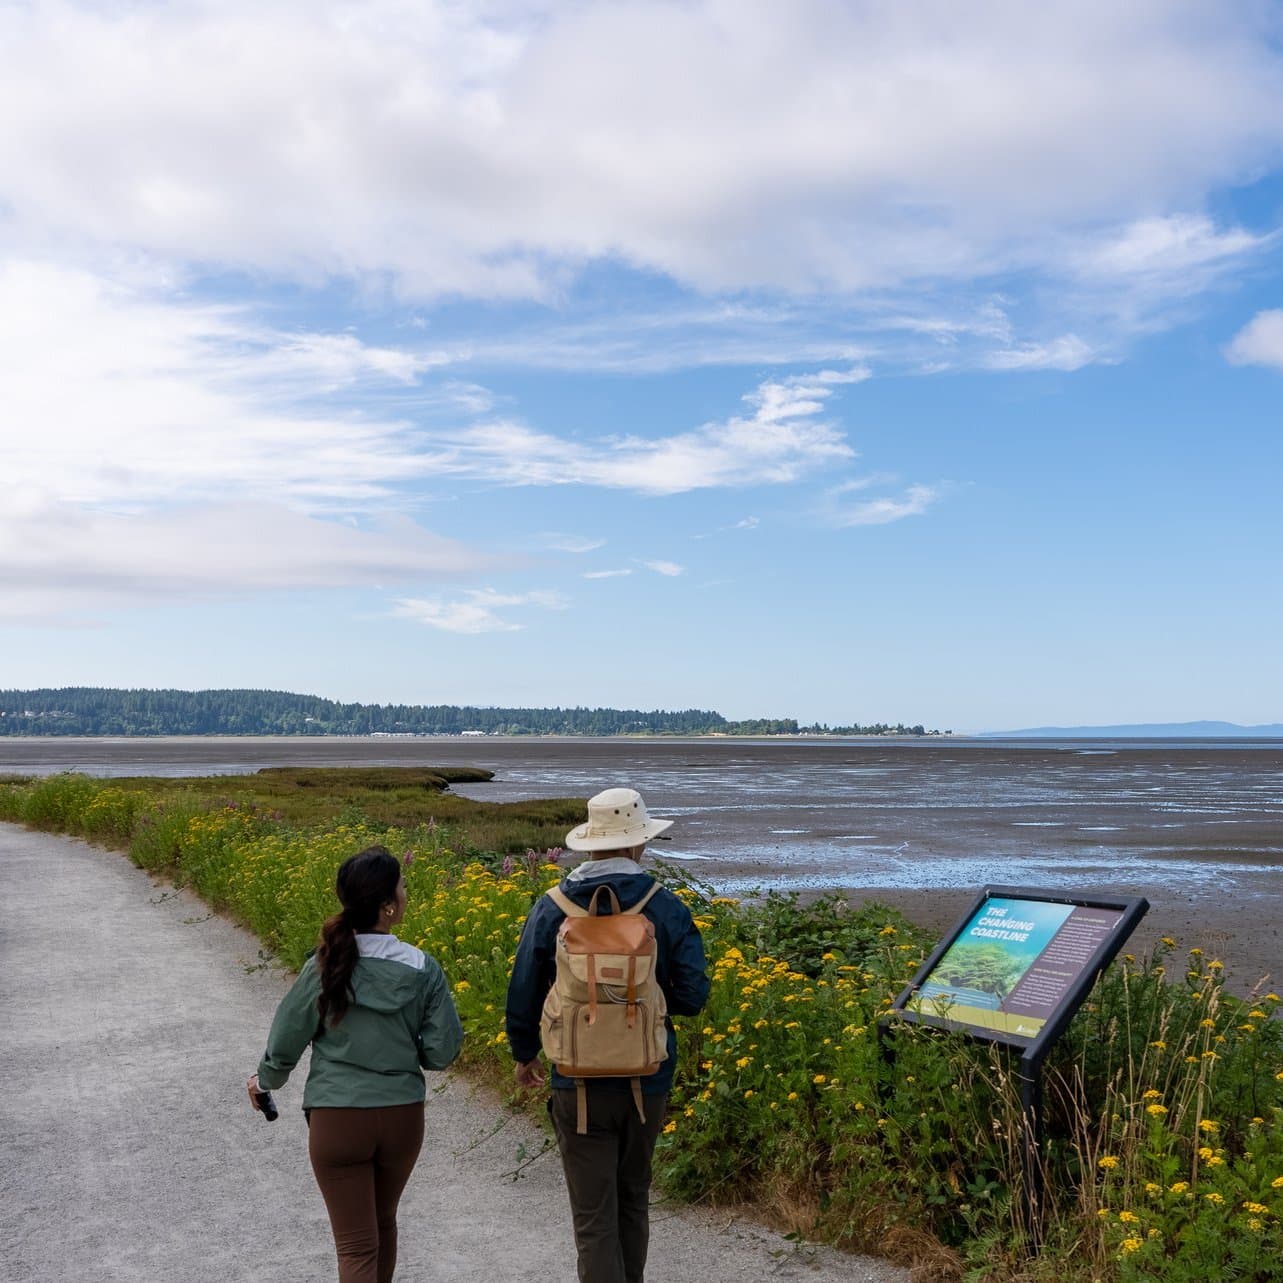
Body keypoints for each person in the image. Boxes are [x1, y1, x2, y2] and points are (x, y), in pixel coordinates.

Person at [506, 787, 710, 1283]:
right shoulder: (664, 906)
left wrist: (524, 1052)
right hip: (649, 1077)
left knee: (594, 1218)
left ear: (591, 843)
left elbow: (525, 988)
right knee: (633, 1199)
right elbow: (693, 994)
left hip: (576, 1081)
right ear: (639, 843)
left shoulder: (552, 905)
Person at [246, 844, 463, 1283]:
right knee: (383, 1225)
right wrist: (408, 1049)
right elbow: (443, 1051)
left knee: (356, 1246)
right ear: (387, 906)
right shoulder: (423, 968)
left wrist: (265, 1080)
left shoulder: (325, 964)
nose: (405, 893)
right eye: (401, 887)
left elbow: (287, 1038)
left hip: (338, 1117)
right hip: (402, 1115)